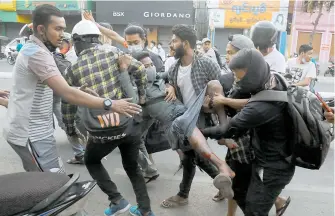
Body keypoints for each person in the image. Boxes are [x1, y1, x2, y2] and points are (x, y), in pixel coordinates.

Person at [3, 4, 141, 174]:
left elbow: (55, 88)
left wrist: (78, 89)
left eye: (64, 29)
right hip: (32, 134)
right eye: (58, 29)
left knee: (41, 181)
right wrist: (110, 103)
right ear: (41, 29)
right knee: (52, 184)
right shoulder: (37, 54)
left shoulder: (36, 50)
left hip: (32, 131)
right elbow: (66, 93)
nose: (62, 35)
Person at [62, 19, 154, 216]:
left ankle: (117, 200)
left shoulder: (72, 68)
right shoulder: (115, 53)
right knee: (132, 167)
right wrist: (142, 96)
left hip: (101, 130)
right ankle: (145, 210)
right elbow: (140, 71)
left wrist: (69, 128)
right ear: (96, 38)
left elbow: (67, 102)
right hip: (129, 124)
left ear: (77, 41)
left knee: (92, 161)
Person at [202, 48, 295, 216]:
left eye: (240, 76)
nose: (237, 80)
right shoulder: (272, 79)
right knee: (241, 192)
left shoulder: (260, 108)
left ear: (252, 73)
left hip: (274, 168)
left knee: (254, 210)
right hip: (266, 159)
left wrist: (200, 132)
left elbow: (227, 130)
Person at [161, 24, 234, 208]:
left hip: (201, 116)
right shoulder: (174, 68)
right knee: (191, 156)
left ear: (185, 43)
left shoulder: (207, 63)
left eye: (175, 40)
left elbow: (220, 90)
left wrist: (209, 103)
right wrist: (169, 86)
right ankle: (221, 182)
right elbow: (169, 82)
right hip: (183, 116)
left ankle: (185, 193)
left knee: (192, 156)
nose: (171, 44)